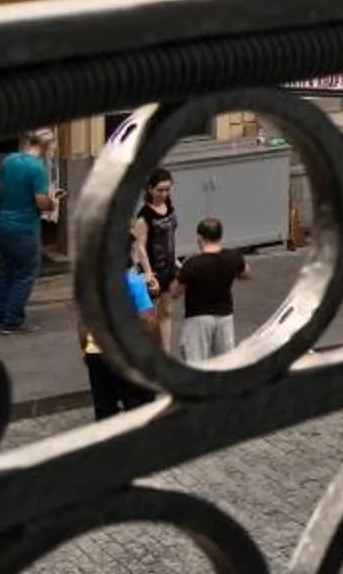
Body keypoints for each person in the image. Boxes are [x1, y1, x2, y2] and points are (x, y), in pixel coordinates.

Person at [0, 130, 58, 334]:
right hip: (24, 229)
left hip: (2, 225)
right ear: (45, 146)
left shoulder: (9, 161)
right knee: (25, 275)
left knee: (7, 271)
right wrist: (52, 201)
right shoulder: (36, 168)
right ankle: (12, 321)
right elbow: (41, 201)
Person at [84, 268, 157, 419]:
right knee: (137, 403)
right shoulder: (133, 281)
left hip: (97, 351)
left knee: (104, 406)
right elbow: (147, 320)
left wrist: (85, 349)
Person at [174, 215, 247, 362]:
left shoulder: (192, 263)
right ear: (220, 235)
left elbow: (176, 292)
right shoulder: (234, 257)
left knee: (196, 362)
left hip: (198, 319)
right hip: (225, 317)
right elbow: (245, 274)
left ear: (200, 238)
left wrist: (180, 275)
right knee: (226, 362)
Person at [130, 170, 181, 350]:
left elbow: (170, 237)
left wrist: (175, 261)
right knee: (150, 315)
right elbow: (140, 246)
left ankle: (165, 351)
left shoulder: (170, 207)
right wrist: (148, 273)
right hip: (153, 269)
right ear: (150, 189)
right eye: (160, 190)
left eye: (167, 190)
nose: (164, 194)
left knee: (167, 311)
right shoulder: (145, 216)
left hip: (168, 267)